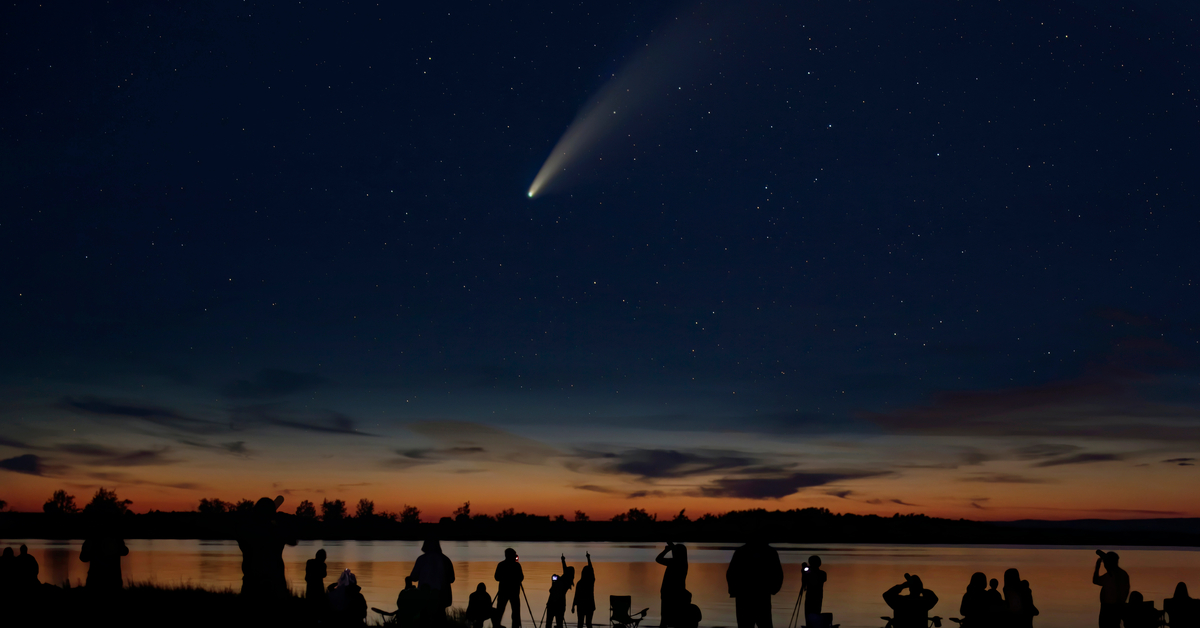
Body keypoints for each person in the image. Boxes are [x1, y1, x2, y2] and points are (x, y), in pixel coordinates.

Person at [236, 495, 298, 600]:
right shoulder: (276, 531)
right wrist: (280, 522)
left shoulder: (247, 532)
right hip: (275, 585)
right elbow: (293, 540)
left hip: (251, 584)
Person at [726, 536, 784, 628]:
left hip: (746, 595)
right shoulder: (770, 552)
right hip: (760, 594)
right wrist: (774, 589)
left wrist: (734, 590)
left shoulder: (741, 551)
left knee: (746, 624)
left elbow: (731, 573)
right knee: (763, 623)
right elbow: (778, 573)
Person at [409, 538, 455, 626]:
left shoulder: (421, 559)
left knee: (424, 620)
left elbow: (414, 577)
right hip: (442, 597)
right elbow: (451, 579)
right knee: (440, 620)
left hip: (424, 596)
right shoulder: (445, 559)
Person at [80, 523, 129, 591]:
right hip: (113, 580)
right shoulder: (116, 537)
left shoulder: (92, 538)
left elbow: (84, 558)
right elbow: (125, 551)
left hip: (95, 580)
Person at [1093, 550, 1129, 628]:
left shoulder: (1111, 575)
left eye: (1106, 562)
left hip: (1109, 609)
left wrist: (1097, 567)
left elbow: (1095, 581)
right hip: (1118, 607)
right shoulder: (1122, 574)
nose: (1105, 564)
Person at [657, 542, 689, 627]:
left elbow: (658, 559)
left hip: (668, 593)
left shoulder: (674, 562)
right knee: (676, 618)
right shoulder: (683, 563)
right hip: (678, 593)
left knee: (664, 617)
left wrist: (666, 550)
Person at [494, 547, 524, 628]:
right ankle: (515, 626)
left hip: (504, 591)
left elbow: (497, 577)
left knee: (502, 610)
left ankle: (497, 625)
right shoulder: (516, 565)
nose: (515, 557)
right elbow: (521, 578)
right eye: (514, 555)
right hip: (512, 592)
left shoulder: (501, 565)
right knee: (514, 611)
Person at [547, 554, 575, 628]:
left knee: (554, 623)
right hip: (558, 604)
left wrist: (563, 561)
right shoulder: (566, 580)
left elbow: (565, 571)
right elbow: (565, 570)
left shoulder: (566, 582)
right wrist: (563, 561)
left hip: (555, 604)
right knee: (557, 623)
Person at [800, 555, 827, 628]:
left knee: (812, 614)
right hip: (815, 596)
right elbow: (804, 583)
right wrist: (804, 573)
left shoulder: (822, 573)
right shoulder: (821, 573)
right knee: (812, 614)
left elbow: (806, 582)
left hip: (814, 597)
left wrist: (805, 572)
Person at [573, 552, 596, 628]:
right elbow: (591, 569)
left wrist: (573, 606)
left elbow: (576, 595)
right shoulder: (590, 582)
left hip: (581, 605)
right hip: (589, 605)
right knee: (588, 623)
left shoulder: (580, 583)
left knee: (580, 623)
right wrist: (588, 558)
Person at [305, 548, 329, 613]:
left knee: (310, 604)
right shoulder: (323, 565)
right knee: (318, 605)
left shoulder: (309, 562)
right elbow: (324, 575)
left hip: (310, 586)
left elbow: (307, 575)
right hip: (318, 587)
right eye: (324, 557)